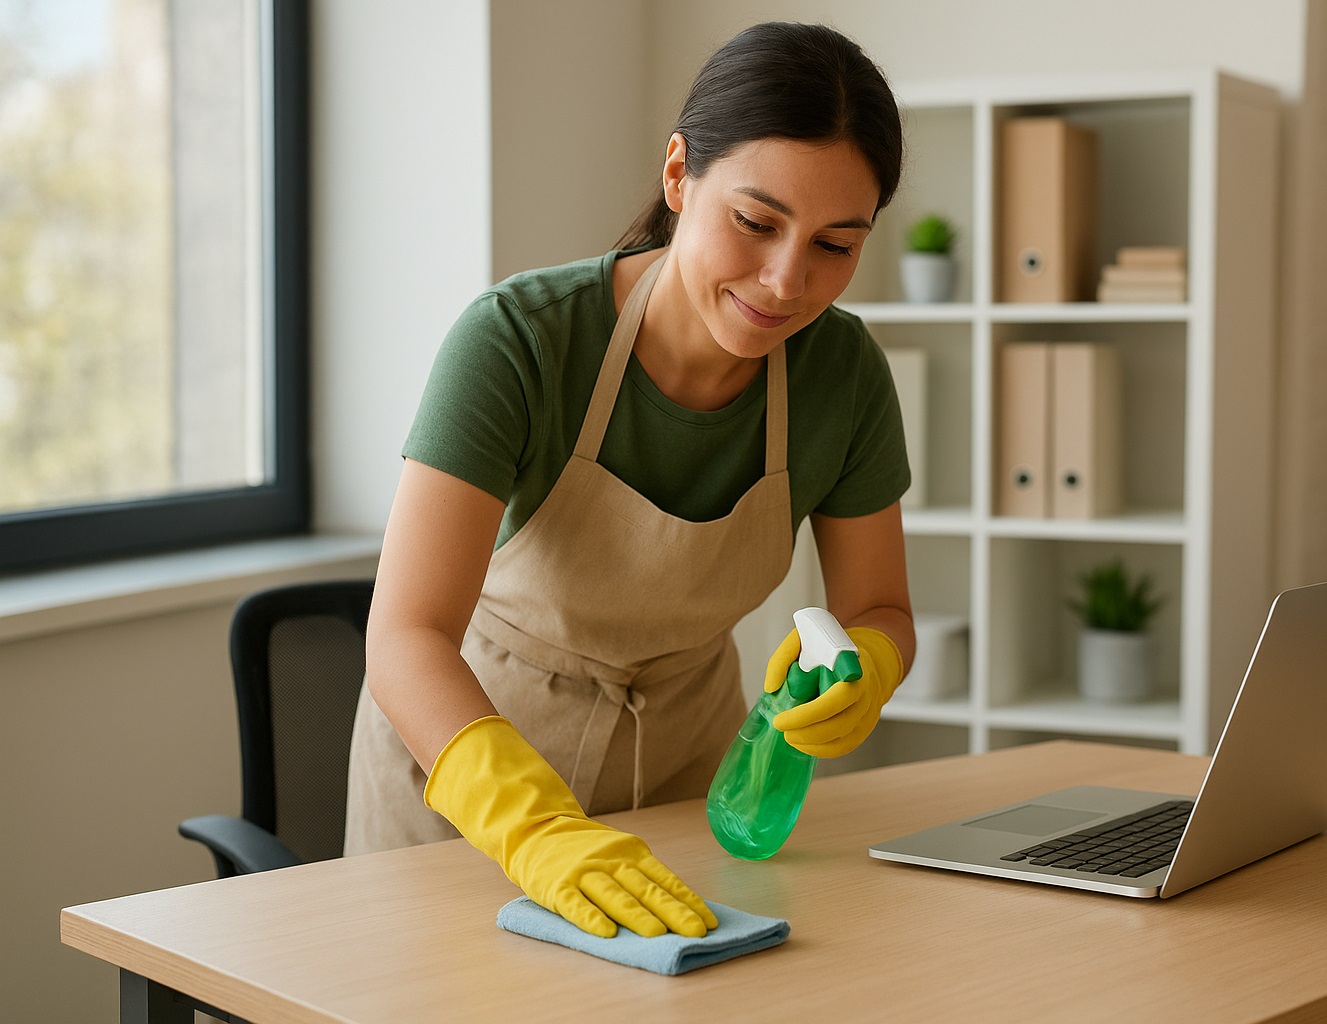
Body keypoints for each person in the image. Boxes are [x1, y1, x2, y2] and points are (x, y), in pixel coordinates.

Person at [344, 21, 915, 941]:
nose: (786, 281)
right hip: (465, 810)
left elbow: (880, 605)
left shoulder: (842, 376)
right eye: (757, 223)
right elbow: (406, 636)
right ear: (680, 174)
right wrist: (535, 831)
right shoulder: (518, 341)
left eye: (835, 245)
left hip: (688, 799)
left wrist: (870, 666)